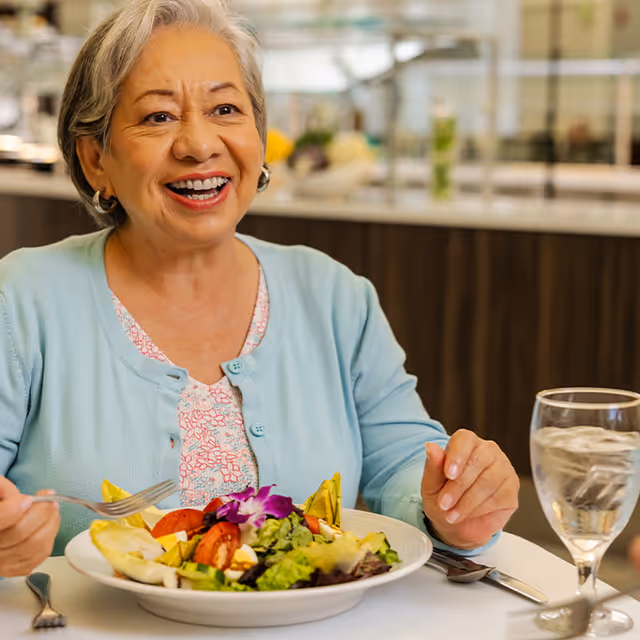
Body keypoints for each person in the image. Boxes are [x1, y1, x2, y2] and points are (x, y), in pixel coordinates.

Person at [0, 0, 519, 578]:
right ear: (95, 160)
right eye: (158, 117)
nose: (199, 144)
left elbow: (402, 460)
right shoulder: (21, 300)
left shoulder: (334, 296)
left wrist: (451, 501)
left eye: (225, 108)